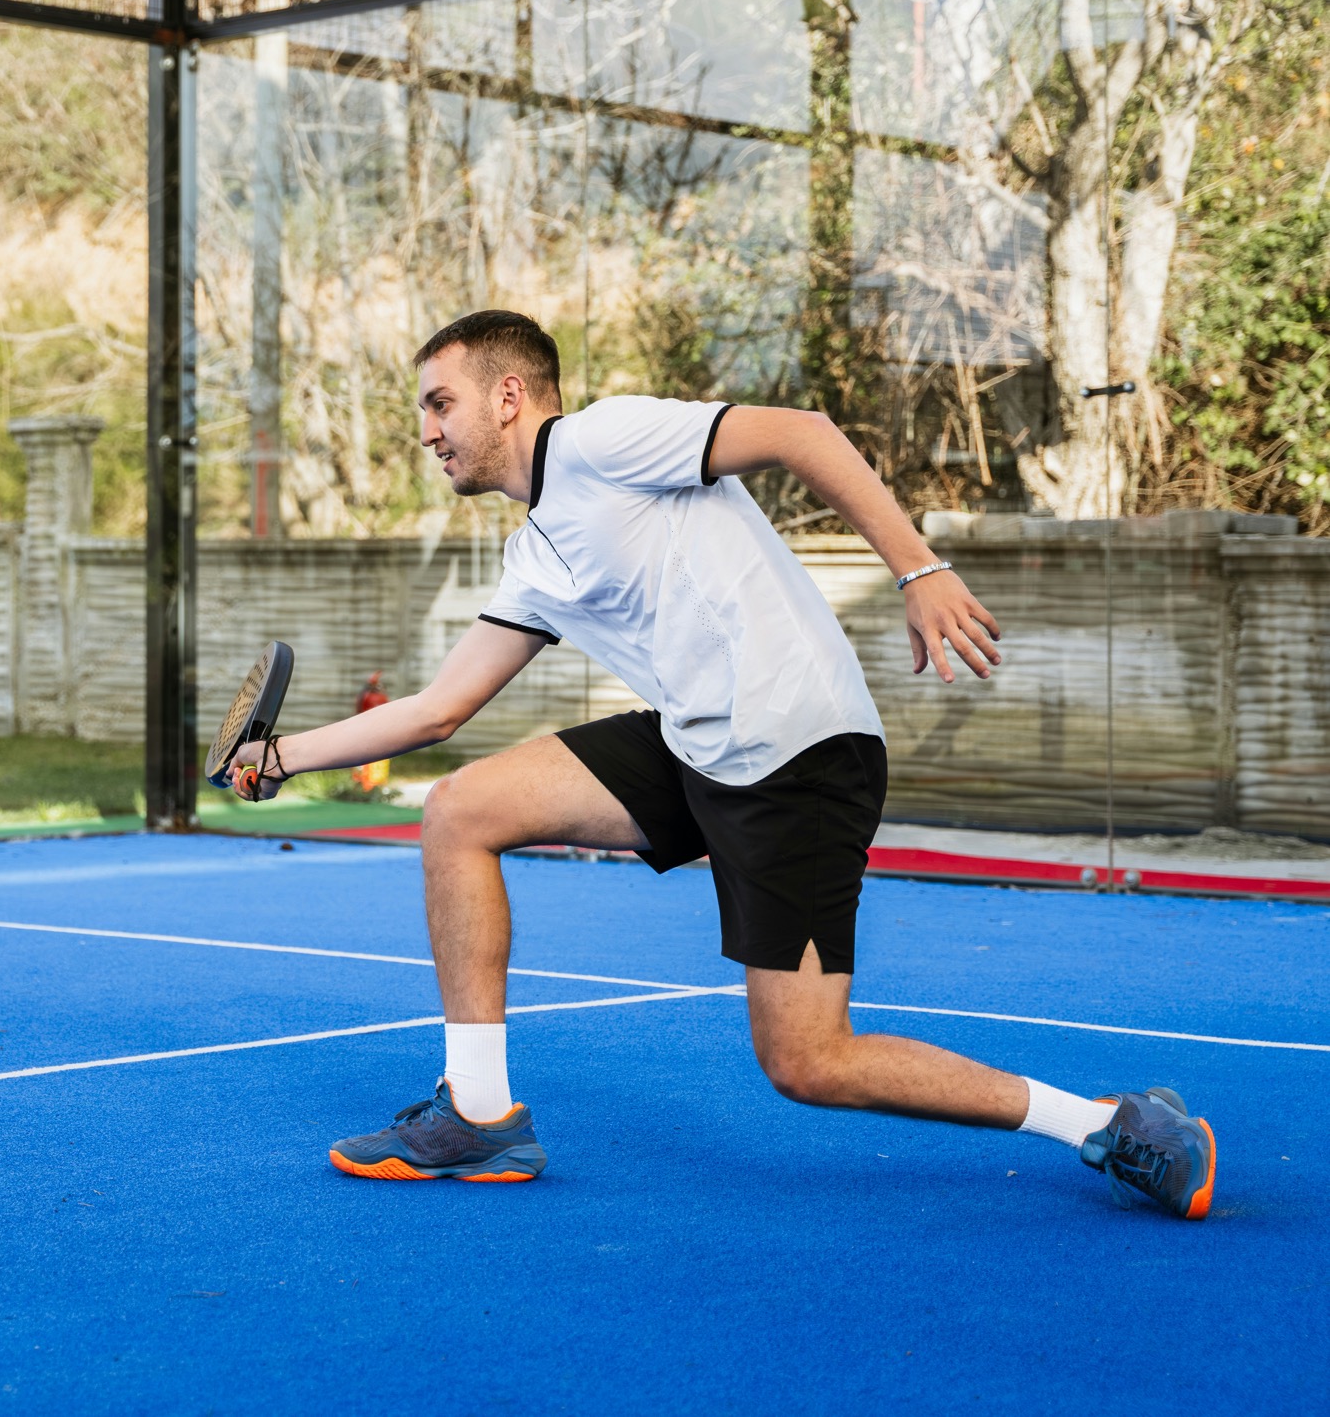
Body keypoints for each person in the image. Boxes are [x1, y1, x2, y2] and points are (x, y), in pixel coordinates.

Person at [229, 309, 1217, 1217]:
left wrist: (919, 570)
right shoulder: (532, 559)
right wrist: (280, 758)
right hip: (699, 742)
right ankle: (478, 1115)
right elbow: (439, 708)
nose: (428, 428)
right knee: (458, 810)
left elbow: (802, 432)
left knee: (809, 1061)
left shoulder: (604, 439)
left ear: (508, 395)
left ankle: (1107, 1123)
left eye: (439, 402)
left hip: (798, 755)